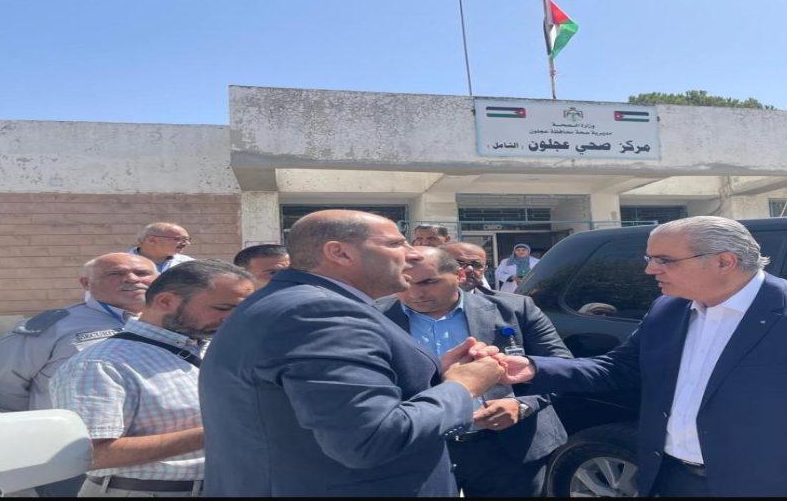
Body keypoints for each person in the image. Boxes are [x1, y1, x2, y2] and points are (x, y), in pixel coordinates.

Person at [497, 216, 787, 497]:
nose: (649, 270)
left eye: (663, 260)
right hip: (671, 479)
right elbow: (619, 368)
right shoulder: (670, 309)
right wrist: (531, 368)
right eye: (649, 259)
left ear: (725, 261)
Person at [198, 210, 507, 497]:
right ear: (340, 253)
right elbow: (370, 439)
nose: (413, 253)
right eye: (395, 244)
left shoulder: (294, 301)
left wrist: (437, 376)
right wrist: (463, 387)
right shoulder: (318, 312)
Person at [377, 246, 572, 497]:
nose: (415, 293)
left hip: (507, 450)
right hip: (417, 450)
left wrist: (522, 405)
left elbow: (560, 366)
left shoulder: (514, 309)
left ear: (459, 276)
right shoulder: (374, 316)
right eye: (404, 282)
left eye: (428, 282)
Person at [51, 260, 255, 498]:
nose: (234, 318)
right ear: (165, 301)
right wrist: (221, 431)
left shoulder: (211, 348)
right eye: (222, 308)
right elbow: (92, 455)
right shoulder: (100, 364)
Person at [0, 252, 158, 497]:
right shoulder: (55, 326)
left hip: (162, 454)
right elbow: (2, 386)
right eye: (115, 274)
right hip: (75, 456)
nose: (132, 279)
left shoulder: (178, 322)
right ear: (86, 283)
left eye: (142, 273)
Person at [130, 222, 194, 273]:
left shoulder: (189, 264)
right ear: (152, 240)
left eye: (187, 239)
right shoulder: (125, 262)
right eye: (178, 239)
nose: (187, 243)